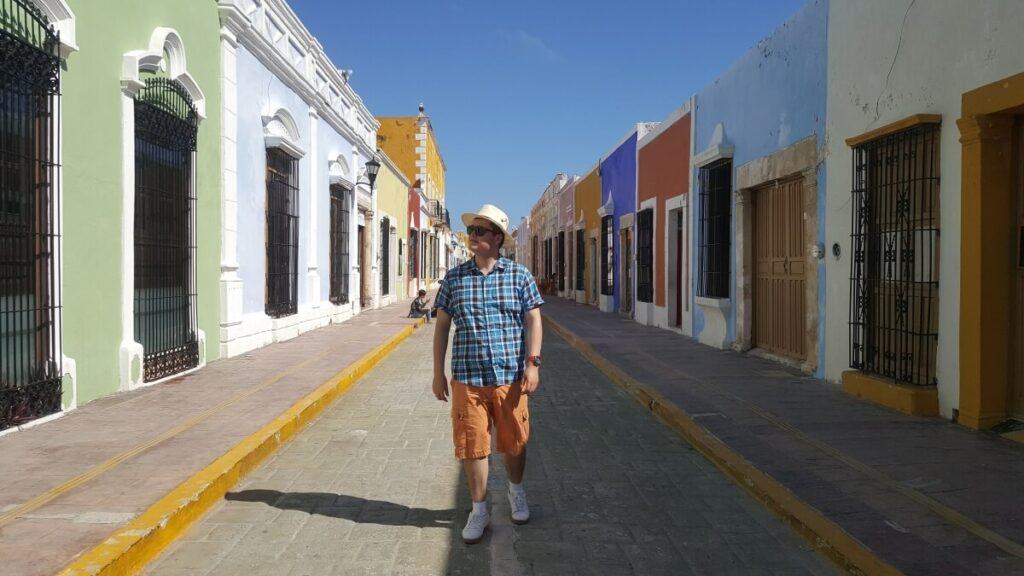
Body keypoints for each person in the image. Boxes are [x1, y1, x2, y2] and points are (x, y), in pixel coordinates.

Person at [432, 204, 544, 545]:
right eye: (472, 231)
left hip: (510, 378)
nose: (473, 236)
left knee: (515, 442)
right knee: (472, 446)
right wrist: (438, 372)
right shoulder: (455, 278)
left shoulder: (519, 276)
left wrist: (533, 363)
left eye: (480, 231)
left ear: (497, 239)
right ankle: (478, 510)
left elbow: (534, 319)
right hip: (467, 378)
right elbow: (441, 329)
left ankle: (516, 491)